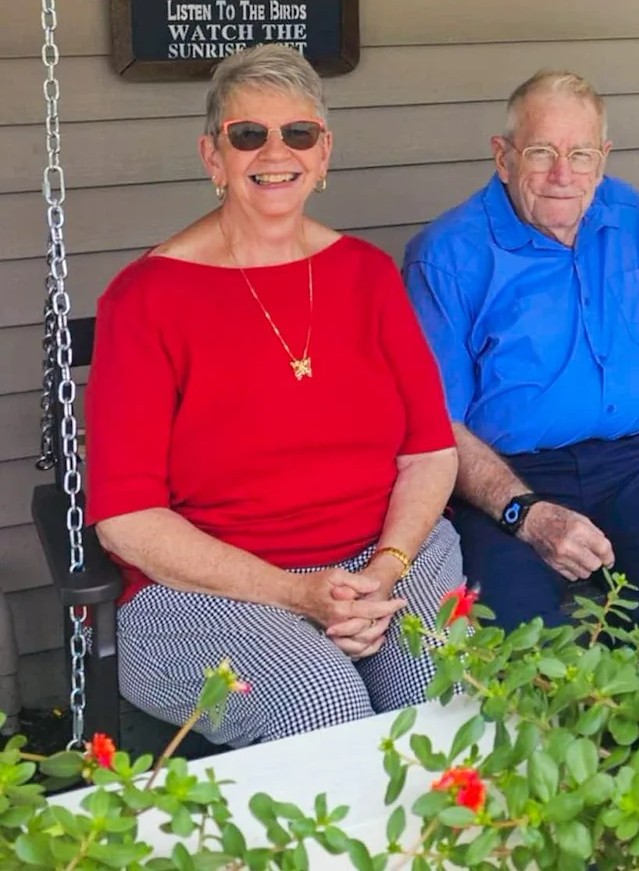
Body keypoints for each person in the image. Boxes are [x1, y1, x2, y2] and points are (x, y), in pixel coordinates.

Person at [86, 45, 463, 747]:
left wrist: (384, 570)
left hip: (386, 556)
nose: (274, 152)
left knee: (446, 700)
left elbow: (429, 452)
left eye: (298, 133)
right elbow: (128, 520)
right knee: (319, 706)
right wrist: (296, 595)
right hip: (206, 592)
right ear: (213, 156)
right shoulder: (145, 300)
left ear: (323, 155)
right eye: (248, 134)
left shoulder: (367, 277)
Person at [402, 70, 639, 632]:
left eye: (581, 154)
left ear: (603, 158)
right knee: (516, 635)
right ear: (503, 157)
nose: (563, 176)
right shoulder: (447, 257)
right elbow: (437, 425)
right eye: (541, 152)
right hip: (505, 476)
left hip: (633, 461)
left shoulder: (633, 217)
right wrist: (524, 512)